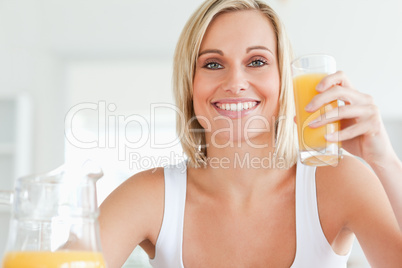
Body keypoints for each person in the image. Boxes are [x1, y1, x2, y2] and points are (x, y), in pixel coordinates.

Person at [98, 0, 402, 267]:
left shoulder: (337, 182)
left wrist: (385, 161)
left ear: (285, 80)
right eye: (213, 63)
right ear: (189, 85)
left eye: (257, 61)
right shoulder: (152, 196)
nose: (236, 82)